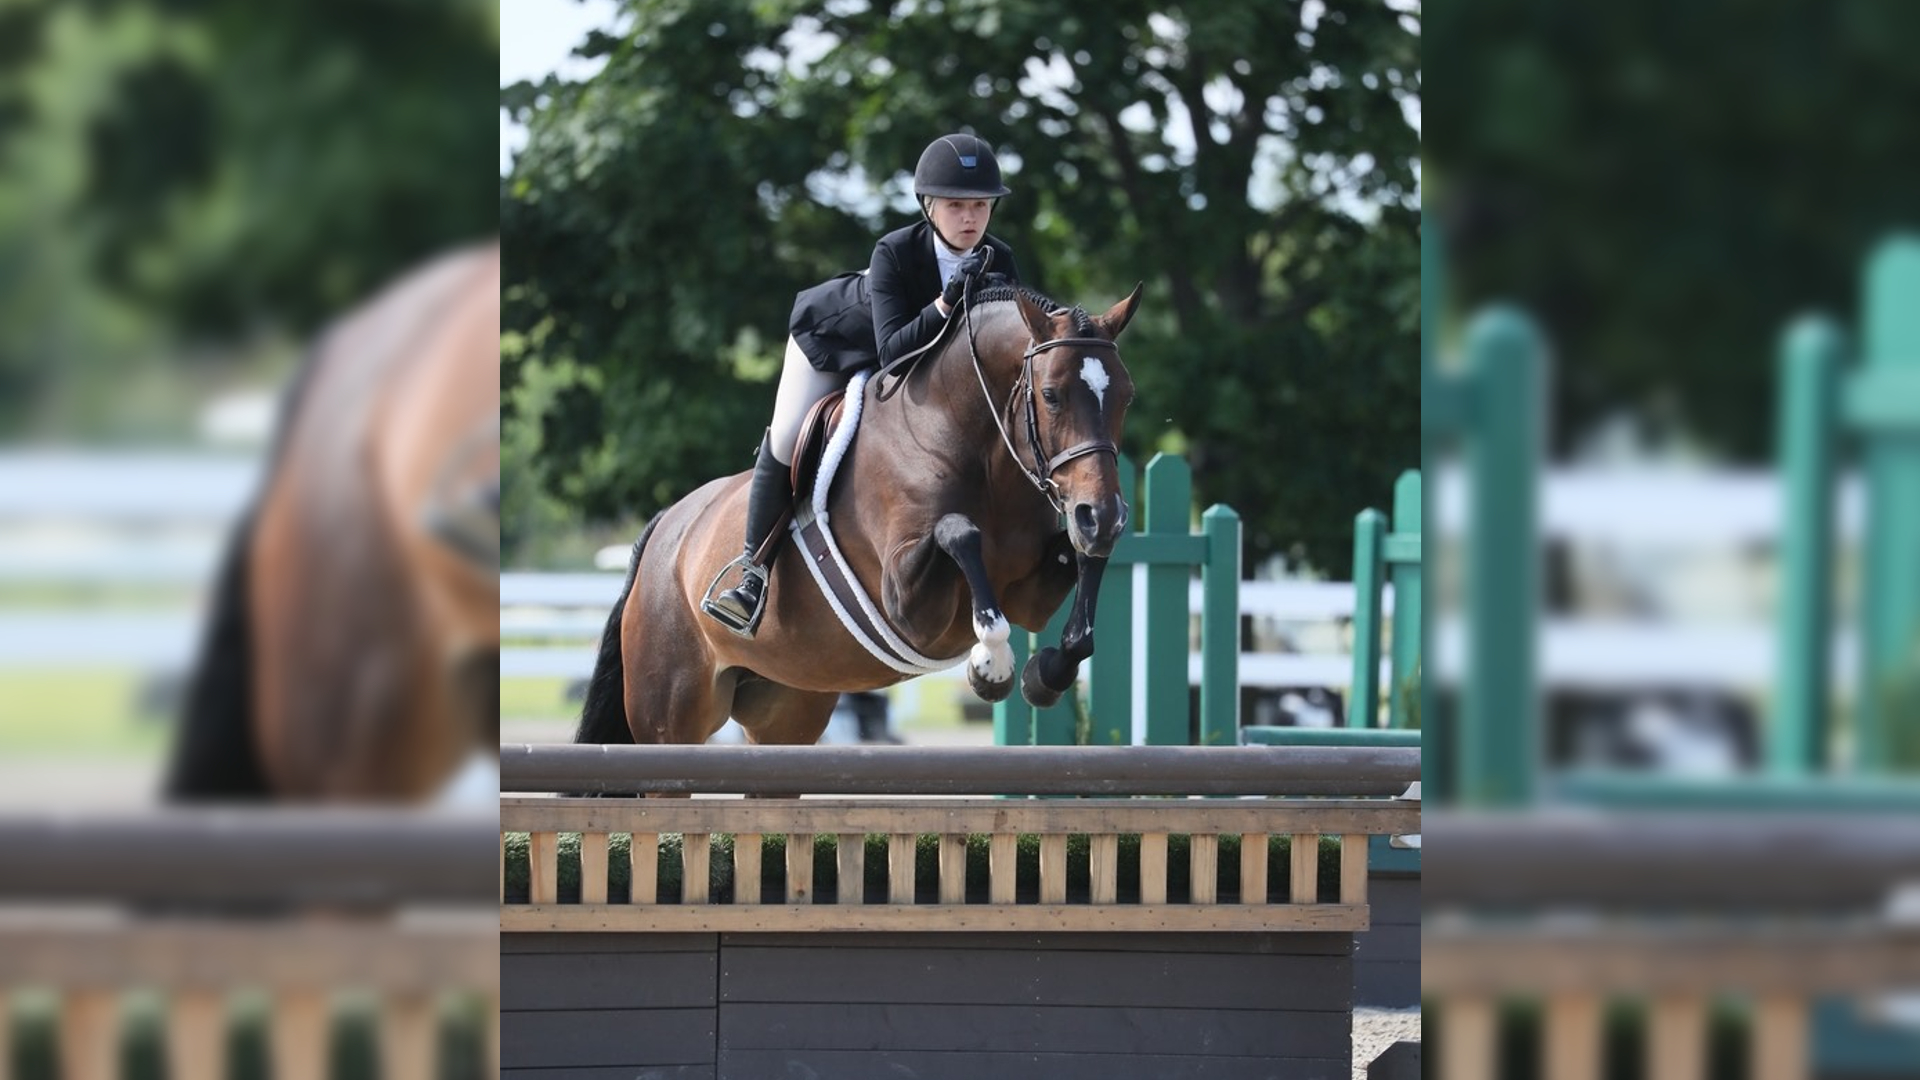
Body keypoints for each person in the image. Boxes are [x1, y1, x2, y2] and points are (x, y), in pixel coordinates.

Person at [702, 132, 1023, 635]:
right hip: (834, 343)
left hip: (921, 362)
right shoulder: (894, 252)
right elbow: (893, 352)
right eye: (957, 205)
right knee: (787, 436)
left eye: (981, 206)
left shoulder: (998, 259)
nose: (970, 218)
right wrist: (944, 304)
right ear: (929, 206)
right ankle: (752, 573)